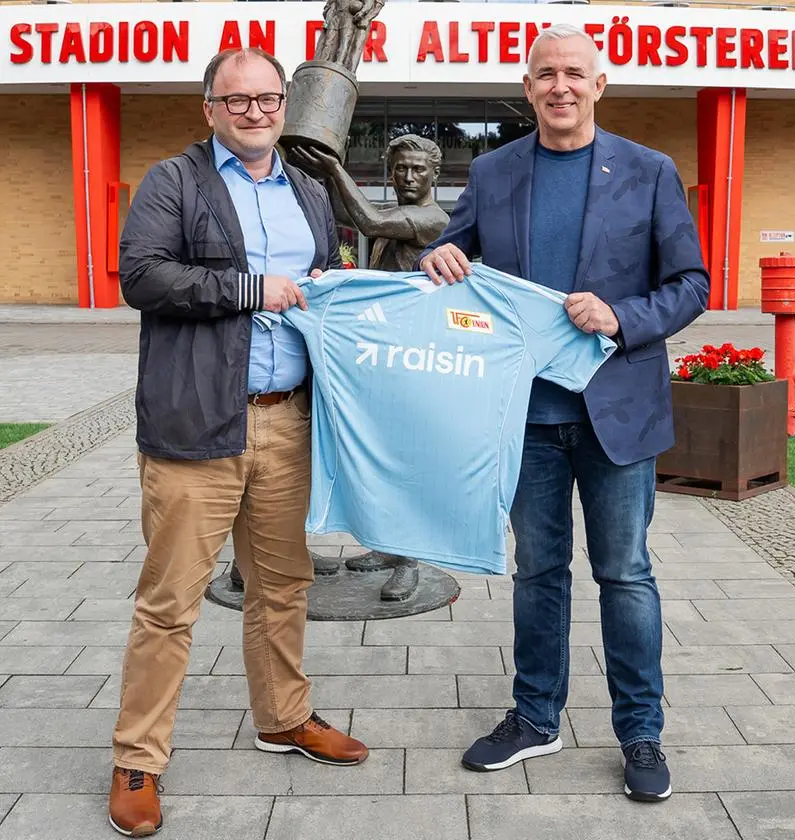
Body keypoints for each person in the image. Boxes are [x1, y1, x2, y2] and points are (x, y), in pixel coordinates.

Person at [418, 23, 709, 802]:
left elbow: (691, 284)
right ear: (528, 86)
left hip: (618, 414)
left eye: (575, 74)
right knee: (538, 572)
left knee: (625, 573)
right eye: (546, 74)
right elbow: (451, 254)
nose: (560, 87)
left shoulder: (649, 172)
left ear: (599, 84)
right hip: (525, 418)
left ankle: (640, 733)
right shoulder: (492, 171)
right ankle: (536, 718)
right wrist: (437, 255)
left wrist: (622, 317)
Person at [110, 47, 368, 838]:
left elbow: (323, 279)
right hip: (197, 423)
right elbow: (143, 276)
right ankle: (137, 759)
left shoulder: (309, 188)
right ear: (211, 109)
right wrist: (250, 289)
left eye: (268, 98)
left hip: (286, 421)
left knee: (283, 586)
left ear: (283, 105)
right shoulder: (175, 182)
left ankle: (283, 717)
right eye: (238, 100)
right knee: (170, 604)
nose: (255, 112)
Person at [297, 133, 449, 600]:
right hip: (385, 351)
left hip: (415, 357)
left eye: (417, 170)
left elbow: (368, 218)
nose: (407, 177)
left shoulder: (432, 218)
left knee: (407, 459)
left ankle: (409, 560)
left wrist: (333, 168)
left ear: (435, 174)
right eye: (399, 168)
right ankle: (387, 545)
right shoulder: (397, 216)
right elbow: (347, 214)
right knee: (380, 456)